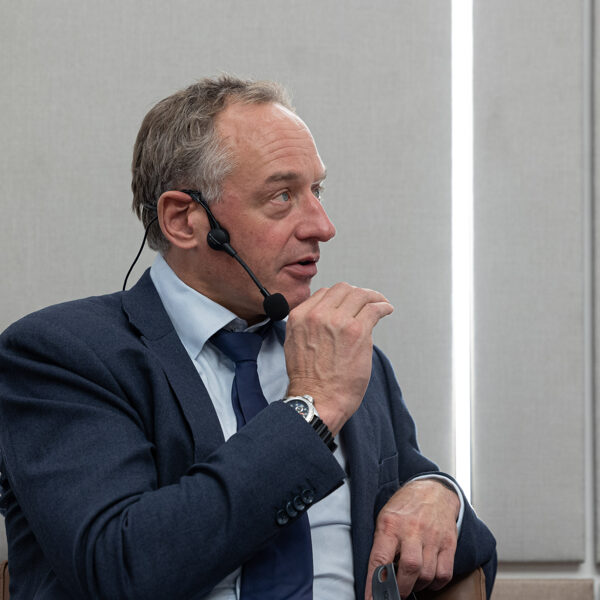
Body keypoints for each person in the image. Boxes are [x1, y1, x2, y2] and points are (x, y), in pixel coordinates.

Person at [0, 75, 496, 599]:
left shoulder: (343, 358)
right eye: (282, 196)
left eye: (317, 191)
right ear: (184, 220)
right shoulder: (61, 356)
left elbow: (470, 550)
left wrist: (438, 493)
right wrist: (311, 410)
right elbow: (122, 571)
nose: (322, 226)